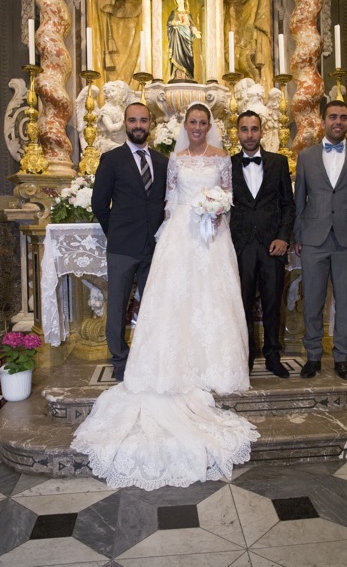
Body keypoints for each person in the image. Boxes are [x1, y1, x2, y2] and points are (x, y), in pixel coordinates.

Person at [72, 102, 259, 490]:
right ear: (184, 125)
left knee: (211, 302)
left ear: (208, 125)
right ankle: (124, 360)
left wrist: (216, 212)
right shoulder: (157, 159)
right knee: (163, 302)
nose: (197, 127)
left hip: (210, 238)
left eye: (202, 122)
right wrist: (123, 231)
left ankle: (212, 363)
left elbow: (225, 194)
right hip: (168, 238)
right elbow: (165, 201)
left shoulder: (204, 158)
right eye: (192, 122)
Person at [294, 100, 347, 380]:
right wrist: (298, 235)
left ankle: (342, 357)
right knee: (312, 301)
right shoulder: (306, 157)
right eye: (333, 117)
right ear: (323, 121)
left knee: (345, 301)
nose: (338, 121)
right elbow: (299, 200)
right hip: (313, 239)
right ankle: (313, 357)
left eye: (343, 117)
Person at [91, 102, 169, 382]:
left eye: (143, 120)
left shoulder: (162, 161)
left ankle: (150, 355)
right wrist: (116, 232)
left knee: (154, 305)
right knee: (117, 306)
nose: (138, 125)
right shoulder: (112, 159)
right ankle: (120, 360)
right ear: (125, 123)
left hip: (155, 246)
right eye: (133, 120)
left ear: (151, 124)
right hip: (123, 246)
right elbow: (99, 203)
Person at [230, 110, 296, 377]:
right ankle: (244, 357)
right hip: (241, 245)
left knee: (272, 304)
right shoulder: (227, 165)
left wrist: (283, 237)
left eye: (254, 129)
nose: (249, 135)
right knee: (242, 304)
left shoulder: (279, 163)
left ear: (261, 132)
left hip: (273, 245)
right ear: (237, 133)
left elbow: (288, 205)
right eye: (244, 129)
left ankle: (272, 356)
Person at [167, 0, 201, 81]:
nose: (179, 1)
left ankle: (188, 76)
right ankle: (178, 76)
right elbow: (169, 23)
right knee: (177, 54)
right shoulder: (174, 12)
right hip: (177, 36)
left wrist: (195, 31)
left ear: (184, 0)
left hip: (187, 36)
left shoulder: (188, 13)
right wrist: (177, 23)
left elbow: (192, 25)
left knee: (189, 55)